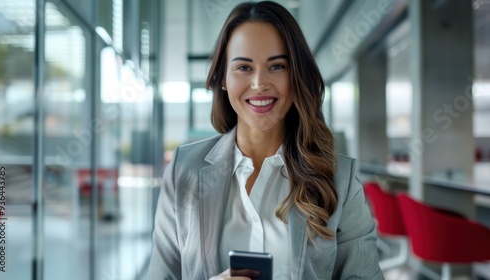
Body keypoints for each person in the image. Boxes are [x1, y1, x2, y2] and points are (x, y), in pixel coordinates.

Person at [147, 1, 383, 279]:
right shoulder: (183, 170)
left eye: (277, 66)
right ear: (223, 78)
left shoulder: (339, 178)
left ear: (296, 75)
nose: (259, 83)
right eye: (244, 68)